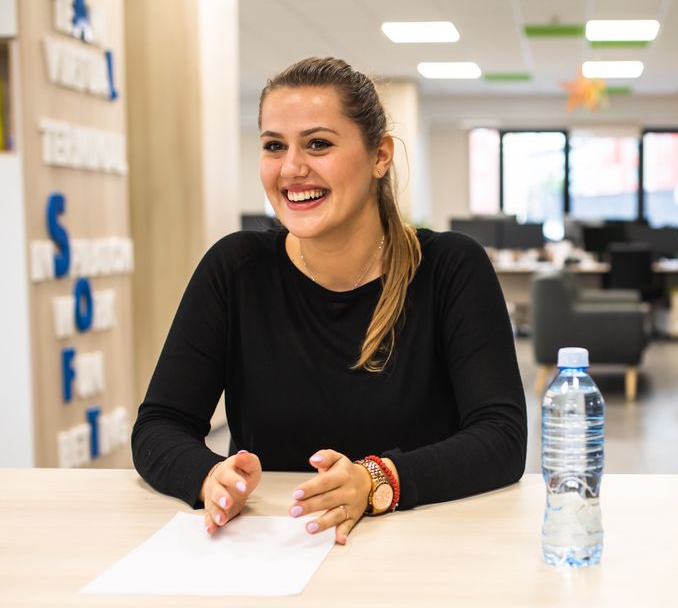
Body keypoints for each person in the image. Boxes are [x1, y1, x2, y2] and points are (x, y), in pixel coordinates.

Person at [132, 57, 527, 545]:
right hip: (277, 548)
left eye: (318, 144)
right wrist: (207, 476)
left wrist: (377, 480)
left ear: (379, 155)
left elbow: (502, 437)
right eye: (274, 146)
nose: (293, 168)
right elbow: (159, 425)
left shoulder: (449, 268)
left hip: (419, 547)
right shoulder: (235, 270)